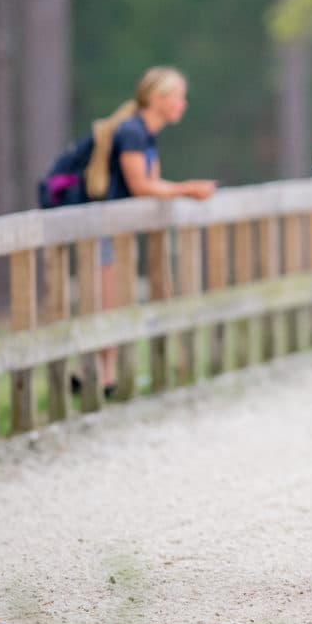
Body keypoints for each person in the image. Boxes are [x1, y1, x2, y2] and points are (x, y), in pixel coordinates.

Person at [85, 67, 217, 393]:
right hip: (104, 224)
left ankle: (105, 377)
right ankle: (101, 376)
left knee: (112, 295)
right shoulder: (132, 132)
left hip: (117, 226)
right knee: (107, 297)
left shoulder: (145, 133)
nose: (183, 104)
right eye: (178, 97)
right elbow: (142, 185)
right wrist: (188, 189)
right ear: (157, 99)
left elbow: (152, 183)